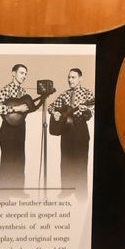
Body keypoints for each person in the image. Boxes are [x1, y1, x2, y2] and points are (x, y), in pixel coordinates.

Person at [48, 67, 94, 198]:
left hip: (80, 130)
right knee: (66, 160)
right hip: (66, 131)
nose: (70, 80)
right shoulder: (64, 94)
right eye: (69, 77)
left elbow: (92, 112)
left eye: (73, 77)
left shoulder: (87, 94)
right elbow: (51, 106)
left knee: (80, 161)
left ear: (80, 79)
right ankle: (66, 190)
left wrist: (86, 111)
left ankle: (81, 193)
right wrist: (55, 112)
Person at [0, 64, 39, 191]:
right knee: (8, 161)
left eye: (25, 74)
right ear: (13, 73)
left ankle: (18, 191)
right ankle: (5, 194)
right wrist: (16, 108)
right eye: (21, 73)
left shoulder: (24, 92)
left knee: (20, 159)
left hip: (20, 130)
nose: (24, 76)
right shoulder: (6, 89)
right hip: (7, 130)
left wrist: (43, 98)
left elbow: (29, 109)